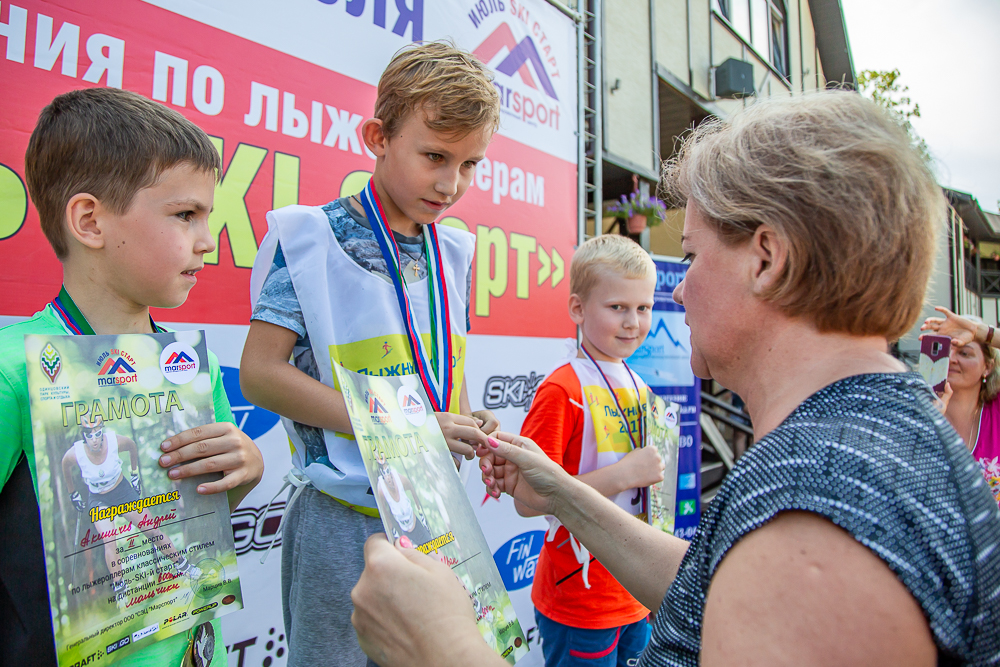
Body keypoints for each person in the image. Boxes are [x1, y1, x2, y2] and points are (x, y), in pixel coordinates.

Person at [350, 91, 1000, 667]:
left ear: (766, 258)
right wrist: (565, 494)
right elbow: (716, 585)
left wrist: (444, 648)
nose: (679, 289)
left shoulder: (813, 526)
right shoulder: (859, 447)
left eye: (690, 254)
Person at [240, 41, 501, 667]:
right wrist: (403, 423)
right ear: (377, 136)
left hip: (435, 514)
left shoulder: (455, 252)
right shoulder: (310, 238)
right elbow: (261, 374)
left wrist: (467, 420)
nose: (450, 183)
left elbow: (442, 373)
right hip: (343, 516)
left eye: (470, 165)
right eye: (435, 156)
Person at [0, 87, 264, 667]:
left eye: (209, 217)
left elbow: (202, 514)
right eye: (185, 215)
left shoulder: (187, 366)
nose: (207, 240)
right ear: (90, 220)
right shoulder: (13, 372)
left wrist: (242, 471)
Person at [518, 234, 664, 666]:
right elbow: (529, 499)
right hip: (579, 598)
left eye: (643, 308)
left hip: (635, 589)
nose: (632, 322)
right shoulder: (562, 389)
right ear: (578, 309)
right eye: (617, 307)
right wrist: (624, 475)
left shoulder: (641, 388)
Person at [61, 417, 202, 595]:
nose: (95, 439)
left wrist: (134, 474)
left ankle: (184, 566)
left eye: (98, 434)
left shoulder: (114, 441)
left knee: (152, 530)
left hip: (122, 491)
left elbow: (131, 446)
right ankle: (120, 589)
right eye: (90, 436)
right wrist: (72, 493)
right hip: (98, 499)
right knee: (109, 541)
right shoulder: (76, 453)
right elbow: (65, 466)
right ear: (84, 436)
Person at [921, 308, 1000, 506]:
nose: (952, 359)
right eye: (945, 351)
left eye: (965, 352)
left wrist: (981, 332)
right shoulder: (914, 409)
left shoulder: (997, 408)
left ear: (988, 367)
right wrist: (926, 421)